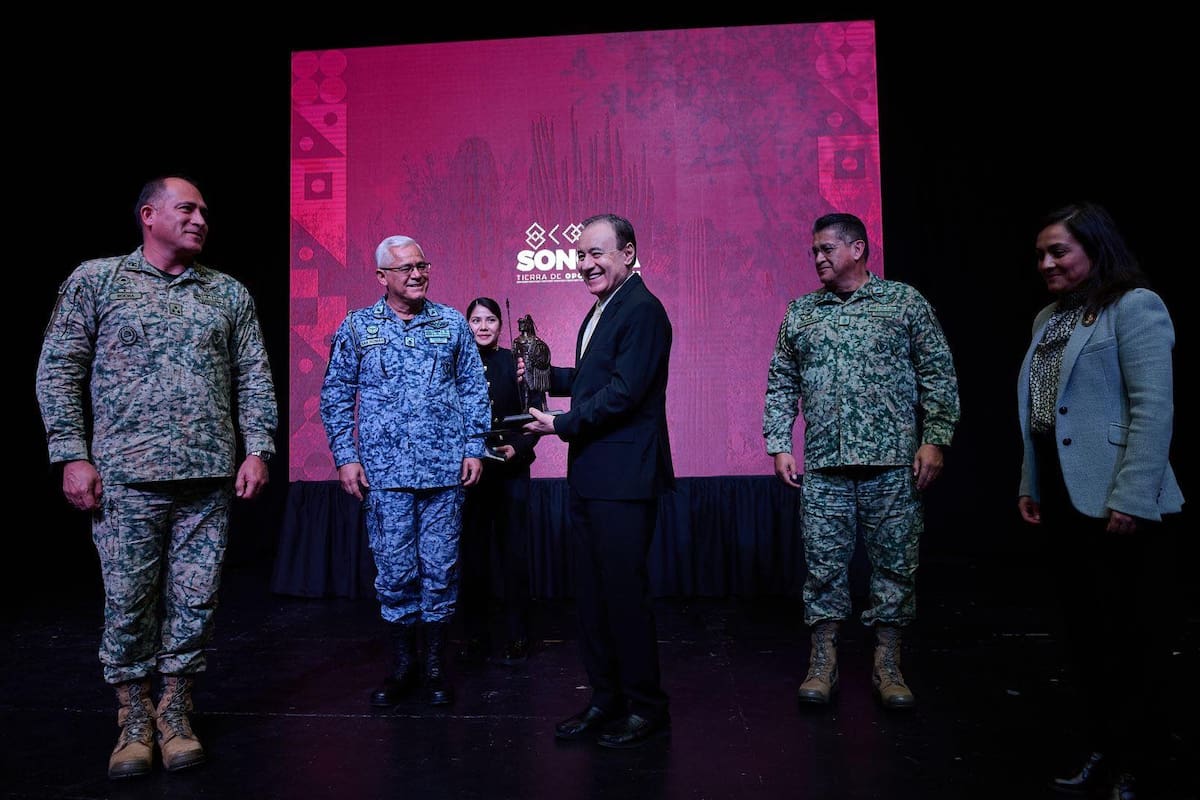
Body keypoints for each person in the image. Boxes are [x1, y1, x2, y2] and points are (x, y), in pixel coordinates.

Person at [35, 176, 278, 779]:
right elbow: (59, 369)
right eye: (186, 209)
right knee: (129, 601)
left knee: (196, 601)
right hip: (125, 477)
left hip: (207, 477)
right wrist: (71, 453)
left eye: (204, 212)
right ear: (149, 215)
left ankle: (175, 711)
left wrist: (258, 448)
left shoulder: (227, 293)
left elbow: (254, 375)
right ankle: (133, 718)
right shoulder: (98, 280)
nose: (200, 220)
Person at [1017, 202, 1183, 800]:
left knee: (1130, 638)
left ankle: (1139, 762)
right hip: (1064, 497)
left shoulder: (1135, 306)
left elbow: (1153, 409)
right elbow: (1040, 412)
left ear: (1095, 248)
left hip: (1119, 498)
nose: (1046, 263)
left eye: (1058, 251)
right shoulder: (1048, 317)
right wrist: (1031, 483)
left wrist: (1132, 497)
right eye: (1040, 254)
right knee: (1086, 636)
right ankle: (1105, 746)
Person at [763, 211, 959, 711]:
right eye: (814, 251)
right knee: (823, 567)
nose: (818, 258)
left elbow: (938, 373)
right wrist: (780, 443)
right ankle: (823, 662)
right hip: (825, 466)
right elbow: (781, 382)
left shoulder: (903, 302)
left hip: (893, 464)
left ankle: (887, 664)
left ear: (858, 248)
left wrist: (936, 439)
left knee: (895, 566)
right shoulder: (802, 312)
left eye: (827, 248)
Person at [522, 213, 674, 749]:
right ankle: (605, 699)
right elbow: (594, 379)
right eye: (580, 255)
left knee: (624, 597)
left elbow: (625, 392)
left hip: (624, 480)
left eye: (596, 253)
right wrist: (542, 376)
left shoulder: (643, 309)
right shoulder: (604, 308)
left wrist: (559, 423)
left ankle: (646, 707)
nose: (585, 264)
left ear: (627, 253)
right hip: (591, 476)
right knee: (592, 598)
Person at [320, 235, 490, 708]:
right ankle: (402, 666)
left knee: (441, 569)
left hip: (444, 473)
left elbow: (474, 389)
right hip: (385, 475)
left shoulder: (451, 323)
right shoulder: (358, 327)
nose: (417, 274)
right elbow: (336, 395)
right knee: (395, 571)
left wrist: (474, 447)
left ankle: (434, 667)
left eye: (422, 265)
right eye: (406, 268)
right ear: (382, 277)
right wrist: (345, 456)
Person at [457, 297, 543, 665]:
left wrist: (517, 448)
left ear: (500, 325)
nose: (483, 327)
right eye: (476, 320)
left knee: (514, 555)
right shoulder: (455, 362)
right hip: (470, 473)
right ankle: (475, 635)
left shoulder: (517, 361)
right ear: (467, 325)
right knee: (472, 556)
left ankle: (518, 635)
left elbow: (537, 412)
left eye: (490, 319)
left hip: (511, 471)